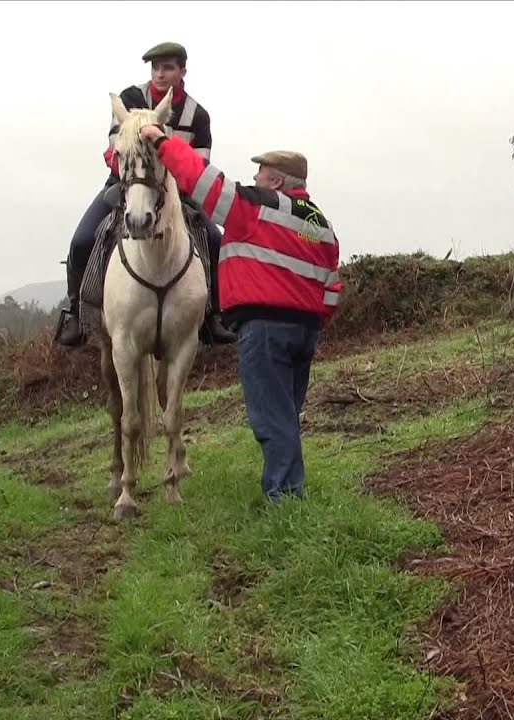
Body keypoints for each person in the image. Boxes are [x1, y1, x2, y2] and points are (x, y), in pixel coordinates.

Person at [139, 122, 341, 501]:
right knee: (286, 415)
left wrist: (163, 142)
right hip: (305, 332)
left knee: (271, 419)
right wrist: (312, 322)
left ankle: (285, 500)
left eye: (260, 172)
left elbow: (203, 181)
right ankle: (289, 492)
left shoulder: (256, 206)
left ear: (277, 182)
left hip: (264, 330)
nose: (254, 177)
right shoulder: (322, 225)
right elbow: (332, 287)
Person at [56, 41, 236, 347]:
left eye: (168, 68)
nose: (160, 74)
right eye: (156, 68)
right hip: (124, 184)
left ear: (182, 71)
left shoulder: (197, 115)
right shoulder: (130, 99)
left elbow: (198, 162)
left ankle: (213, 316)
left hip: (177, 191)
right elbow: (114, 149)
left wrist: (171, 184)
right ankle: (77, 313)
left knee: (217, 241)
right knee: (82, 240)